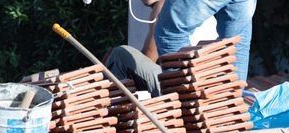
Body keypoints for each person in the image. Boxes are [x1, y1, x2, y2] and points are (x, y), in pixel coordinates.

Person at [105, 0, 256, 97]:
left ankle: (182, 105)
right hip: (205, 81)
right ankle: (234, 101)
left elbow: (149, 55)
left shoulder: (165, 7)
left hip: (192, 85)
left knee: (122, 54)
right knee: (236, 43)